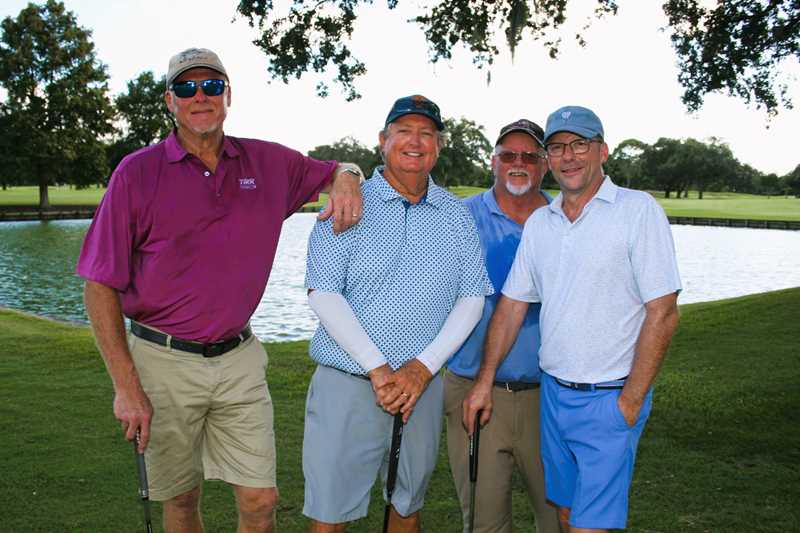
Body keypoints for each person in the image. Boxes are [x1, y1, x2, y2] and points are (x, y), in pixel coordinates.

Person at [76, 47, 363, 533]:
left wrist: (349, 177)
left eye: (211, 85)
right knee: (182, 498)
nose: (200, 96)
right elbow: (99, 285)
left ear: (228, 95)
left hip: (239, 360)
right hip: (162, 361)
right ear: (170, 101)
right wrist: (126, 386)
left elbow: (336, 168)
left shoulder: (267, 162)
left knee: (261, 500)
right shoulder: (136, 173)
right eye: (186, 87)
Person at [301, 95, 494, 532]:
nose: (415, 141)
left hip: (420, 387)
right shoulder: (348, 200)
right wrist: (379, 368)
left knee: (407, 505)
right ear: (383, 140)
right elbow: (324, 293)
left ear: (438, 146)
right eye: (404, 131)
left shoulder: (456, 215)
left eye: (427, 133)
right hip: (349, 381)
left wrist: (422, 369)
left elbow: (472, 298)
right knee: (330, 512)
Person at [487, 106, 681, 533]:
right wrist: (484, 381)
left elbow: (663, 312)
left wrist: (629, 403)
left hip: (608, 397)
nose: (569, 156)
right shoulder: (542, 222)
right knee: (565, 513)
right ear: (548, 158)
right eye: (558, 147)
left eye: (580, 144)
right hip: (554, 396)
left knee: (585, 527)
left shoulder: (637, 211)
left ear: (602, 151)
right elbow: (512, 306)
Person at [446, 119, 560, 533]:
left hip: (550, 395)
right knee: (484, 523)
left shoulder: (566, 218)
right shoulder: (459, 217)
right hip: (472, 389)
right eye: (508, 154)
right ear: (493, 162)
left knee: (560, 519)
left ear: (544, 165)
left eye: (530, 156)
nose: (519, 163)